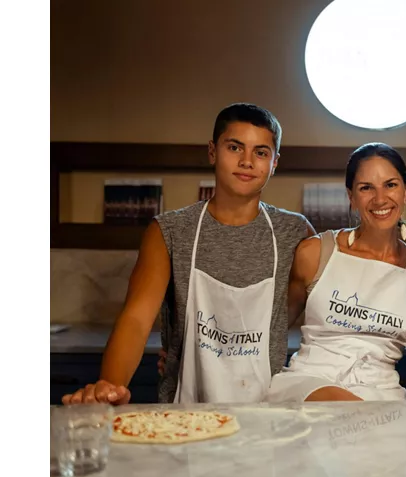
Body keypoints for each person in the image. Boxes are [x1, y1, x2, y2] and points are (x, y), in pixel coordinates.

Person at [62, 103, 314, 405]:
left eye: (260, 152)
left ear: (274, 163)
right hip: (183, 417)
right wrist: (110, 387)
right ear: (212, 151)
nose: (247, 161)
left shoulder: (295, 233)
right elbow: (136, 320)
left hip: (269, 417)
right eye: (234, 147)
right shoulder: (169, 231)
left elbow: (298, 317)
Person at [265, 143, 406, 402]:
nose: (380, 199)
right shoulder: (316, 253)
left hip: (383, 394)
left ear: (405, 192)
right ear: (351, 196)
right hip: (311, 385)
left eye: (390, 185)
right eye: (366, 188)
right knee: (350, 413)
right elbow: (272, 329)